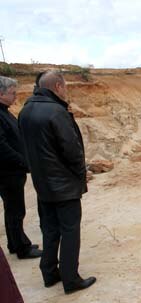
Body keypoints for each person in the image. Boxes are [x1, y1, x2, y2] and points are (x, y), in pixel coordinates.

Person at [18, 71, 96, 294]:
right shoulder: (56, 111)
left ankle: (49, 273)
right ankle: (71, 279)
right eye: (66, 86)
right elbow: (71, 150)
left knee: (50, 230)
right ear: (58, 86)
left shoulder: (25, 111)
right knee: (70, 231)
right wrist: (81, 173)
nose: (67, 90)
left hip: (42, 184)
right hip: (64, 186)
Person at [0, 76, 42, 259]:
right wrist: (23, 162)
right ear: (0, 94)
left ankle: (15, 243)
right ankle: (22, 248)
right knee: (16, 210)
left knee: (12, 209)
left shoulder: (4, 112)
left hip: (11, 170)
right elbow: (2, 147)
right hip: (8, 171)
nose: (15, 96)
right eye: (12, 93)